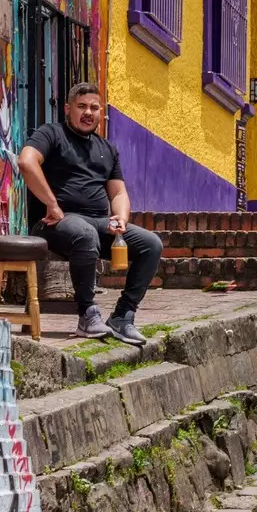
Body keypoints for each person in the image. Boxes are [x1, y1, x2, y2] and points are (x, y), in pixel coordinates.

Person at [18, 83, 162, 345]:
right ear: (67, 108)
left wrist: (121, 217)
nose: (88, 112)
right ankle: (87, 315)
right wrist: (51, 203)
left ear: (101, 112)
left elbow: (118, 193)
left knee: (150, 244)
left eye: (94, 107)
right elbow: (26, 162)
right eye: (81, 106)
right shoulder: (51, 134)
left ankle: (122, 317)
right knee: (85, 235)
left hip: (99, 223)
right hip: (55, 223)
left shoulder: (107, 149)